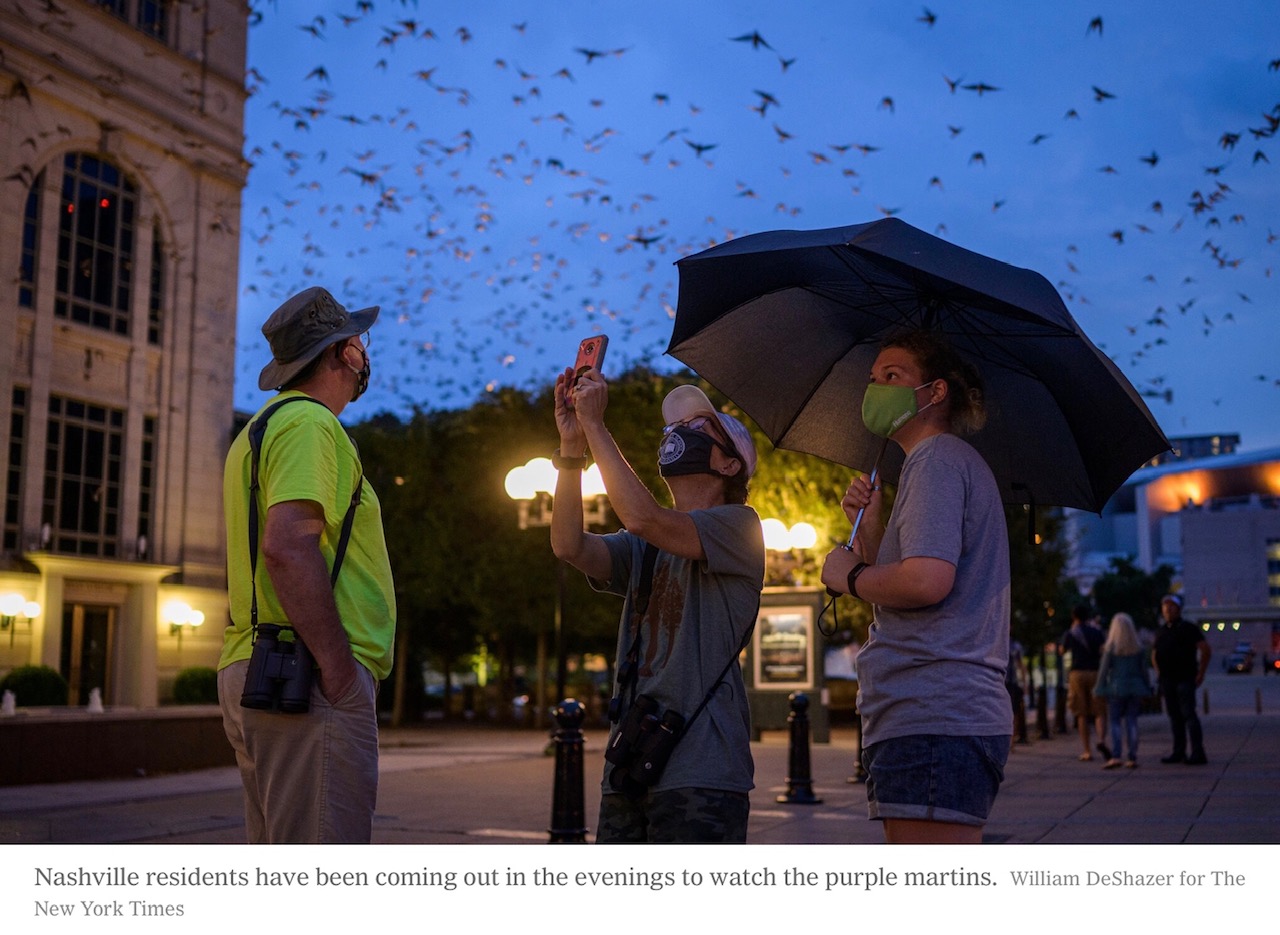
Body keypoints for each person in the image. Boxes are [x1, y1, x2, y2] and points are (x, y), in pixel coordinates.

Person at [551, 371, 764, 843]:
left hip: (702, 770)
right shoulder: (643, 545)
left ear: (731, 466)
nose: (677, 433)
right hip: (633, 759)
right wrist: (571, 451)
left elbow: (644, 516)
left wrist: (597, 427)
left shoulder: (740, 527)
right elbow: (569, 545)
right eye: (674, 428)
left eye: (697, 427)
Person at [217, 286, 396, 843]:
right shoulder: (310, 425)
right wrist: (339, 670)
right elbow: (288, 546)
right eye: (359, 342)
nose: (366, 353)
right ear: (342, 352)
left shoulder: (259, 429)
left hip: (267, 664)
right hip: (307, 676)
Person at [821, 330, 1011, 845]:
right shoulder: (928, 468)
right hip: (929, 714)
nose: (876, 388)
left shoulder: (937, 461)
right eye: (873, 379)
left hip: (934, 712)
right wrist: (871, 529)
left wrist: (849, 576)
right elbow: (904, 586)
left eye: (892, 376)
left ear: (935, 391)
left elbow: (927, 582)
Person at [1151, 593, 1210, 765]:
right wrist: (1158, 673)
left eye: (1171, 606)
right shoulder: (1162, 631)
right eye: (1165, 606)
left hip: (1185, 677)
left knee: (1188, 714)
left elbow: (1205, 649)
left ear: (1178, 609)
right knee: (1174, 716)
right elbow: (1155, 653)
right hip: (1167, 679)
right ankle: (1179, 751)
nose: (1168, 609)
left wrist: (1201, 672)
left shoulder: (1188, 628)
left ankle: (1198, 752)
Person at [1093, 613, 1152, 768]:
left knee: (1115, 722)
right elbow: (1144, 671)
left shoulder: (1111, 648)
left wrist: (1099, 688)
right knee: (1132, 721)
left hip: (1116, 688)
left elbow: (1103, 671)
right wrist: (1147, 687)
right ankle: (1132, 756)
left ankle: (1117, 755)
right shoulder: (1138, 648)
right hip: (1135, 687)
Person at [1060, 603, 1109, 761]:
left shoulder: (1071, 632)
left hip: (1077, 673)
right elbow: (1103, 650)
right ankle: (1101, 740)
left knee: (1081, 713)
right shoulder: (1096, 631)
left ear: (1074, 617)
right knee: (1100, 710)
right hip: (1095, 672)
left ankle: (1087, 750)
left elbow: (1062, 651)